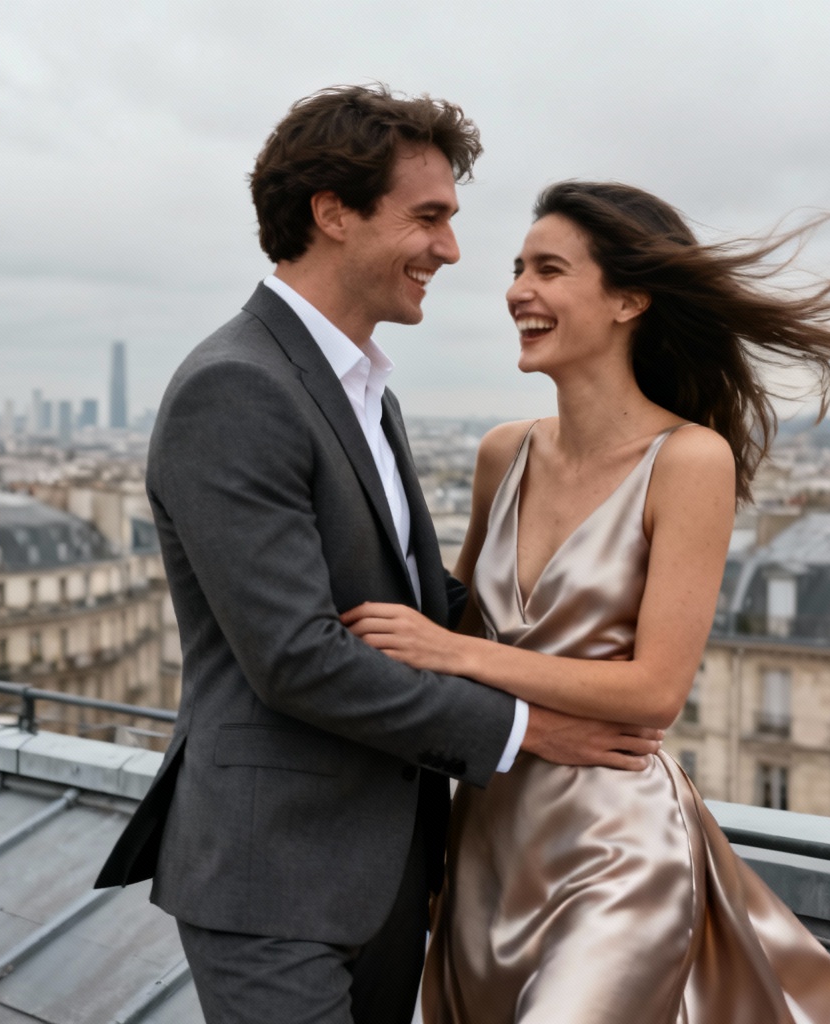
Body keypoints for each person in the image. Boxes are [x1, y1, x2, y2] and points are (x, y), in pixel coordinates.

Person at [94, 93, 662, 1024]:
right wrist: (528, 732)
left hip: (388, 866)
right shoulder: (236, 386)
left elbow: (417, 609)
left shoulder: (361, 390)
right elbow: (296, 658)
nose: (451, 250)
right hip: (273, 876)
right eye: (429, 217)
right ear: (333, 212)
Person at [343, 181, 830, 1022]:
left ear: (630, 299)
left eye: (549, 269)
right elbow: (452, 614)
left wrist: (451, 653)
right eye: (519, 267)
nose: (517, 289)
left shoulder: (689, 461)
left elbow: (654, 690)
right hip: (488, 841)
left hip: (618, 843)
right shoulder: (503, 453)